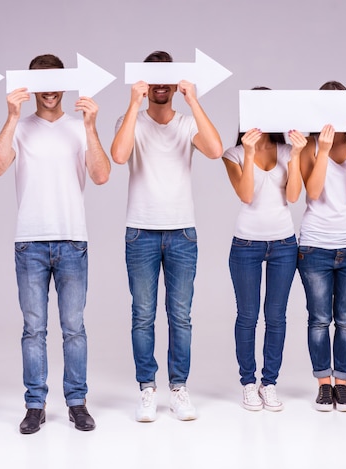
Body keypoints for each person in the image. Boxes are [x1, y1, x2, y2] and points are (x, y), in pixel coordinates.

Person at [0, 54, 110, 433]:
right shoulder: (20, 127)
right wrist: (9, 117)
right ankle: (35, 404)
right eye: (43, 82)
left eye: (57, 81)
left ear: (66, 84)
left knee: (74, 327)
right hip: (31, 242)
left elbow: (102, 175)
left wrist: (91, 126)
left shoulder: (78, 127)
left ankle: (76, 402)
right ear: (33, 86)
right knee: (33, 329)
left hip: (73, 239)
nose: (51, 90)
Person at [111, 50, 223, 422]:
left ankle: (178, 388)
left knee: (181, 316)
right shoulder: (130, 120)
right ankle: (147, 388)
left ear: (174, 84)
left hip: (181, 233)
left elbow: (215, 149)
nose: (160, 85)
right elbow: (119, 154)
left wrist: (194, 99)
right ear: (145, 83)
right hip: (140, 231)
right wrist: (132, 104)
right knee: (142, 315)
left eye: (167, 79)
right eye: (153, 78)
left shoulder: (188, 123)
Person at [222, 91, 306, 411]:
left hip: (284, 243)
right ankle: (247, 382)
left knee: (276, 317)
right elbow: (246, 195)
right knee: (247, 316)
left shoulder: (286, 150)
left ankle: (269, 382)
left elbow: (294, 195)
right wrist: (248, 150)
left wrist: (296, 156)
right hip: (246, 244)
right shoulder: (232, 153)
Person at [297, 81, 346, 412]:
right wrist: (323, 150)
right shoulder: (308, 145)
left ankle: (342, 384)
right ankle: (323, 385)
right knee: (318, 319)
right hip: (315, 246)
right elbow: (312, 193)